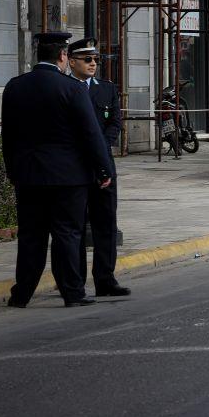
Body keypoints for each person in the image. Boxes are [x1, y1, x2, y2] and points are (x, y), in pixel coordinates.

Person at [2, 32, 113, 308]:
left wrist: (12, 171)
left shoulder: (15, 87)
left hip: (29, 176)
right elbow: (90, 134)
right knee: (67, 234)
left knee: (30, 236)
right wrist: (103, 168)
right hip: (68, 177)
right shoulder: (72, 89)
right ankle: (72, 293)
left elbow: (9, 136)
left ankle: (22, 294)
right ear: (63, 56)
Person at [67, 38, 129, 297]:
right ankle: (76, 282)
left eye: (96, 60)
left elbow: (115, 121)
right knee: (77, 226)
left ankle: (105, 279)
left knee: (106, 224)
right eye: (87, 59)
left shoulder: (106, 88)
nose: (93, 64)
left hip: (104, 164)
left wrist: (101, 147)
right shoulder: (66, 88)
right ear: (71, 62)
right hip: (76, 166)